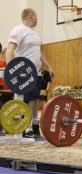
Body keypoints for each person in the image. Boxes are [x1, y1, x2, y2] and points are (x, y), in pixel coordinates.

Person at [5, 8, 54, 138]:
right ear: (31, 17)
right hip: (23, 74)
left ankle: (34, 127)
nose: (37, 19)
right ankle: (26, 128)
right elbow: (9, 50)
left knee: (35, 100)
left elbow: (40, 53)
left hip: (36, 73)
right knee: (26, 101)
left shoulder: (35, 34)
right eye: (36, 17)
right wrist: (12, 70)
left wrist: (48, 66)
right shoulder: (18, 30)